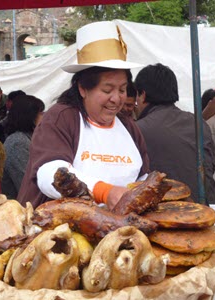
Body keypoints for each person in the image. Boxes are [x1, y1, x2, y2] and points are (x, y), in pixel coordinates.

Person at [17, 21, 147, 209]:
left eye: (122, 89)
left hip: (119, 228)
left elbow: (142, 178)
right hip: (61, 229)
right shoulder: (61, 118)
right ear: (83, 88)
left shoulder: (128, 126)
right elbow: (50, 173)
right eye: (107, 89)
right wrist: (105, 192)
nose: (116, 98)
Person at [135, 63, 215, 204]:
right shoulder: (199, 123)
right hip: (206, 208)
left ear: (142, 95)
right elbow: (211, 165)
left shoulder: (138, 130)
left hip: (167, 214)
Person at [1, 95, 45, 199]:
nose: (44, 117)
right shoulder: (17, 143)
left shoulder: (28, 138)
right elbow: (27, 186)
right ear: (30, 116)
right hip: (20, 208)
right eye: (41, 113)